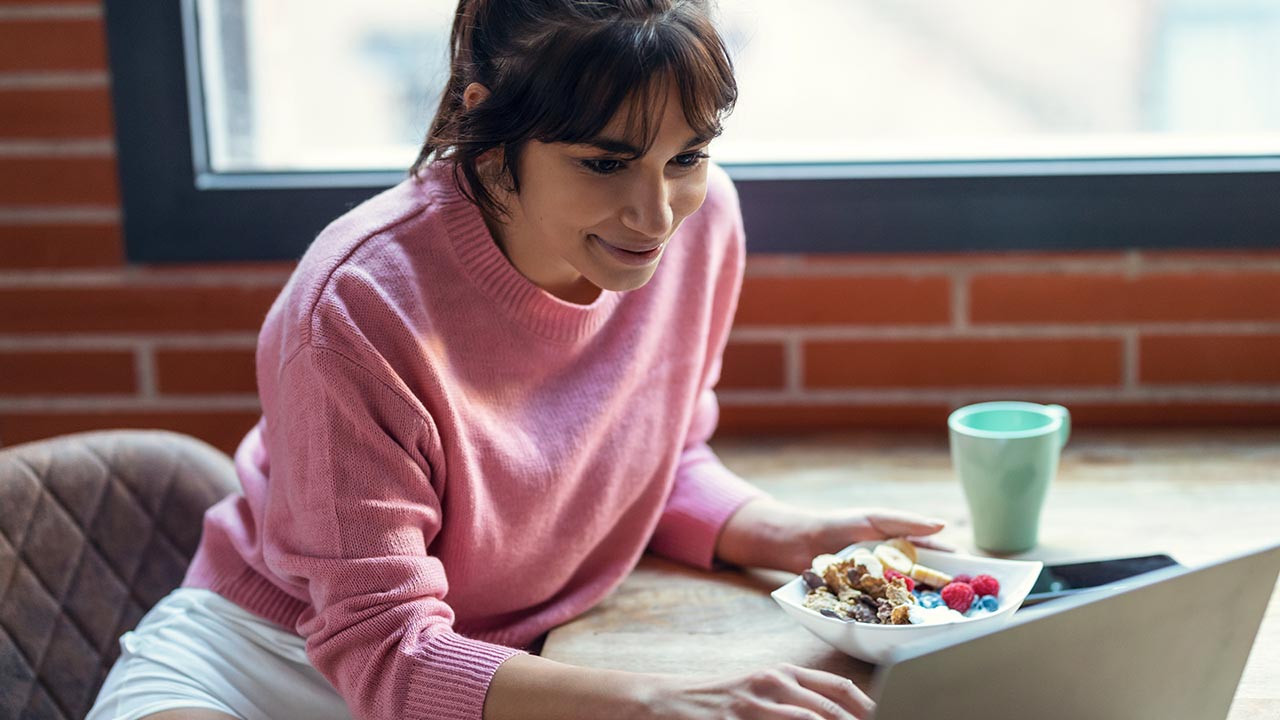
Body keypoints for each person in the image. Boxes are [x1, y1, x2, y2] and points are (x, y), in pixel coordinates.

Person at [88, 1, 948, 718]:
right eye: (605, 163)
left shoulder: (702, 222)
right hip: (267, 665)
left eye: (686, 155)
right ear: (492, 138)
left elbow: (658, 458)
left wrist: (789, 534)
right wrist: (660, 703)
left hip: (516, 672)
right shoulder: (355, 306)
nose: (656, 215)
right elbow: (383, 648)